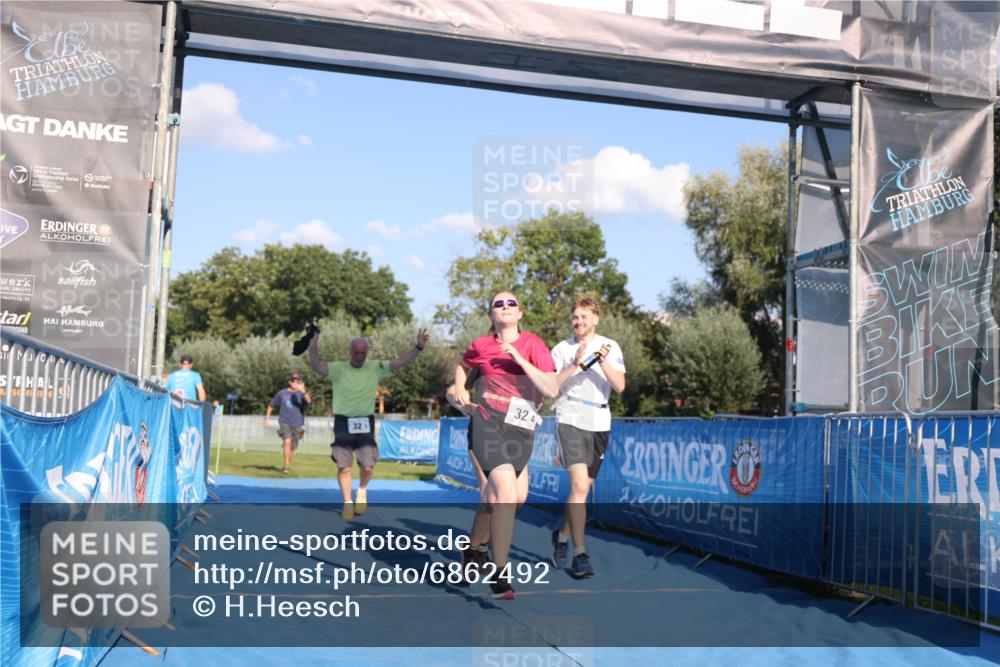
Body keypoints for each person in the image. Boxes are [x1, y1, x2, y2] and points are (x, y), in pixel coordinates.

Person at [451, 291, 559, 600]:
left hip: (521, 430)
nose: (506, 307)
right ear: (491, 315)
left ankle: (474, 550)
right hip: (488, 423)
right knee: (506, 494)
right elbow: (462, 366)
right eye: (499, 304)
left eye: (511, 303)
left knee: (511, 498)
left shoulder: (534, 345)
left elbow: (552, 388)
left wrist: (520, 360)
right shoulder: (481, 345)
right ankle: (499, 575)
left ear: (520, 313)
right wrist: (459, 388)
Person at [308, 329, 429, 519]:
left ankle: (362, 490)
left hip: (365, 423)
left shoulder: (375, 367)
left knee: (368, 467)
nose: (359, 356)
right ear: (350, 353)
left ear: (367, 353)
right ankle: (347, 502)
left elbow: (400, 361)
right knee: (344, 466)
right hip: (343, 423)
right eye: (356, 353)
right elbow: (316, 365)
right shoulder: (338, 369)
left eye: (362, 353)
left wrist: (418, 347)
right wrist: (313, 344)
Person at [550, 296, 626, 578]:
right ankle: (580, 554)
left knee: (580, 491)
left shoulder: (610, 346)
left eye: (584, 316)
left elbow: (620, 386)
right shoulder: (561, 349)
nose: (578, 321)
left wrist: (601, 361)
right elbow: (552, 386)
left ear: (595, 319)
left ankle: (561, 536)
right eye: (575, 317)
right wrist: (574, 365)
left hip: (600, 420)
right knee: (580, 486)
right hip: (570, 416)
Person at [264, 373, 312, 475]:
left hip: (298, 424)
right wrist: (267, 418)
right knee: (287, 441)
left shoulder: (302, 394)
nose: (295, 383)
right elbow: (271, 405)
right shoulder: (282, 393)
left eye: (297, 381)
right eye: (293, 381)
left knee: (293, 447)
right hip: (284, 421)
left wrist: (304, 391)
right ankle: (286, 465)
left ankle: (287, 465)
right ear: (289, 382)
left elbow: (309, 402)